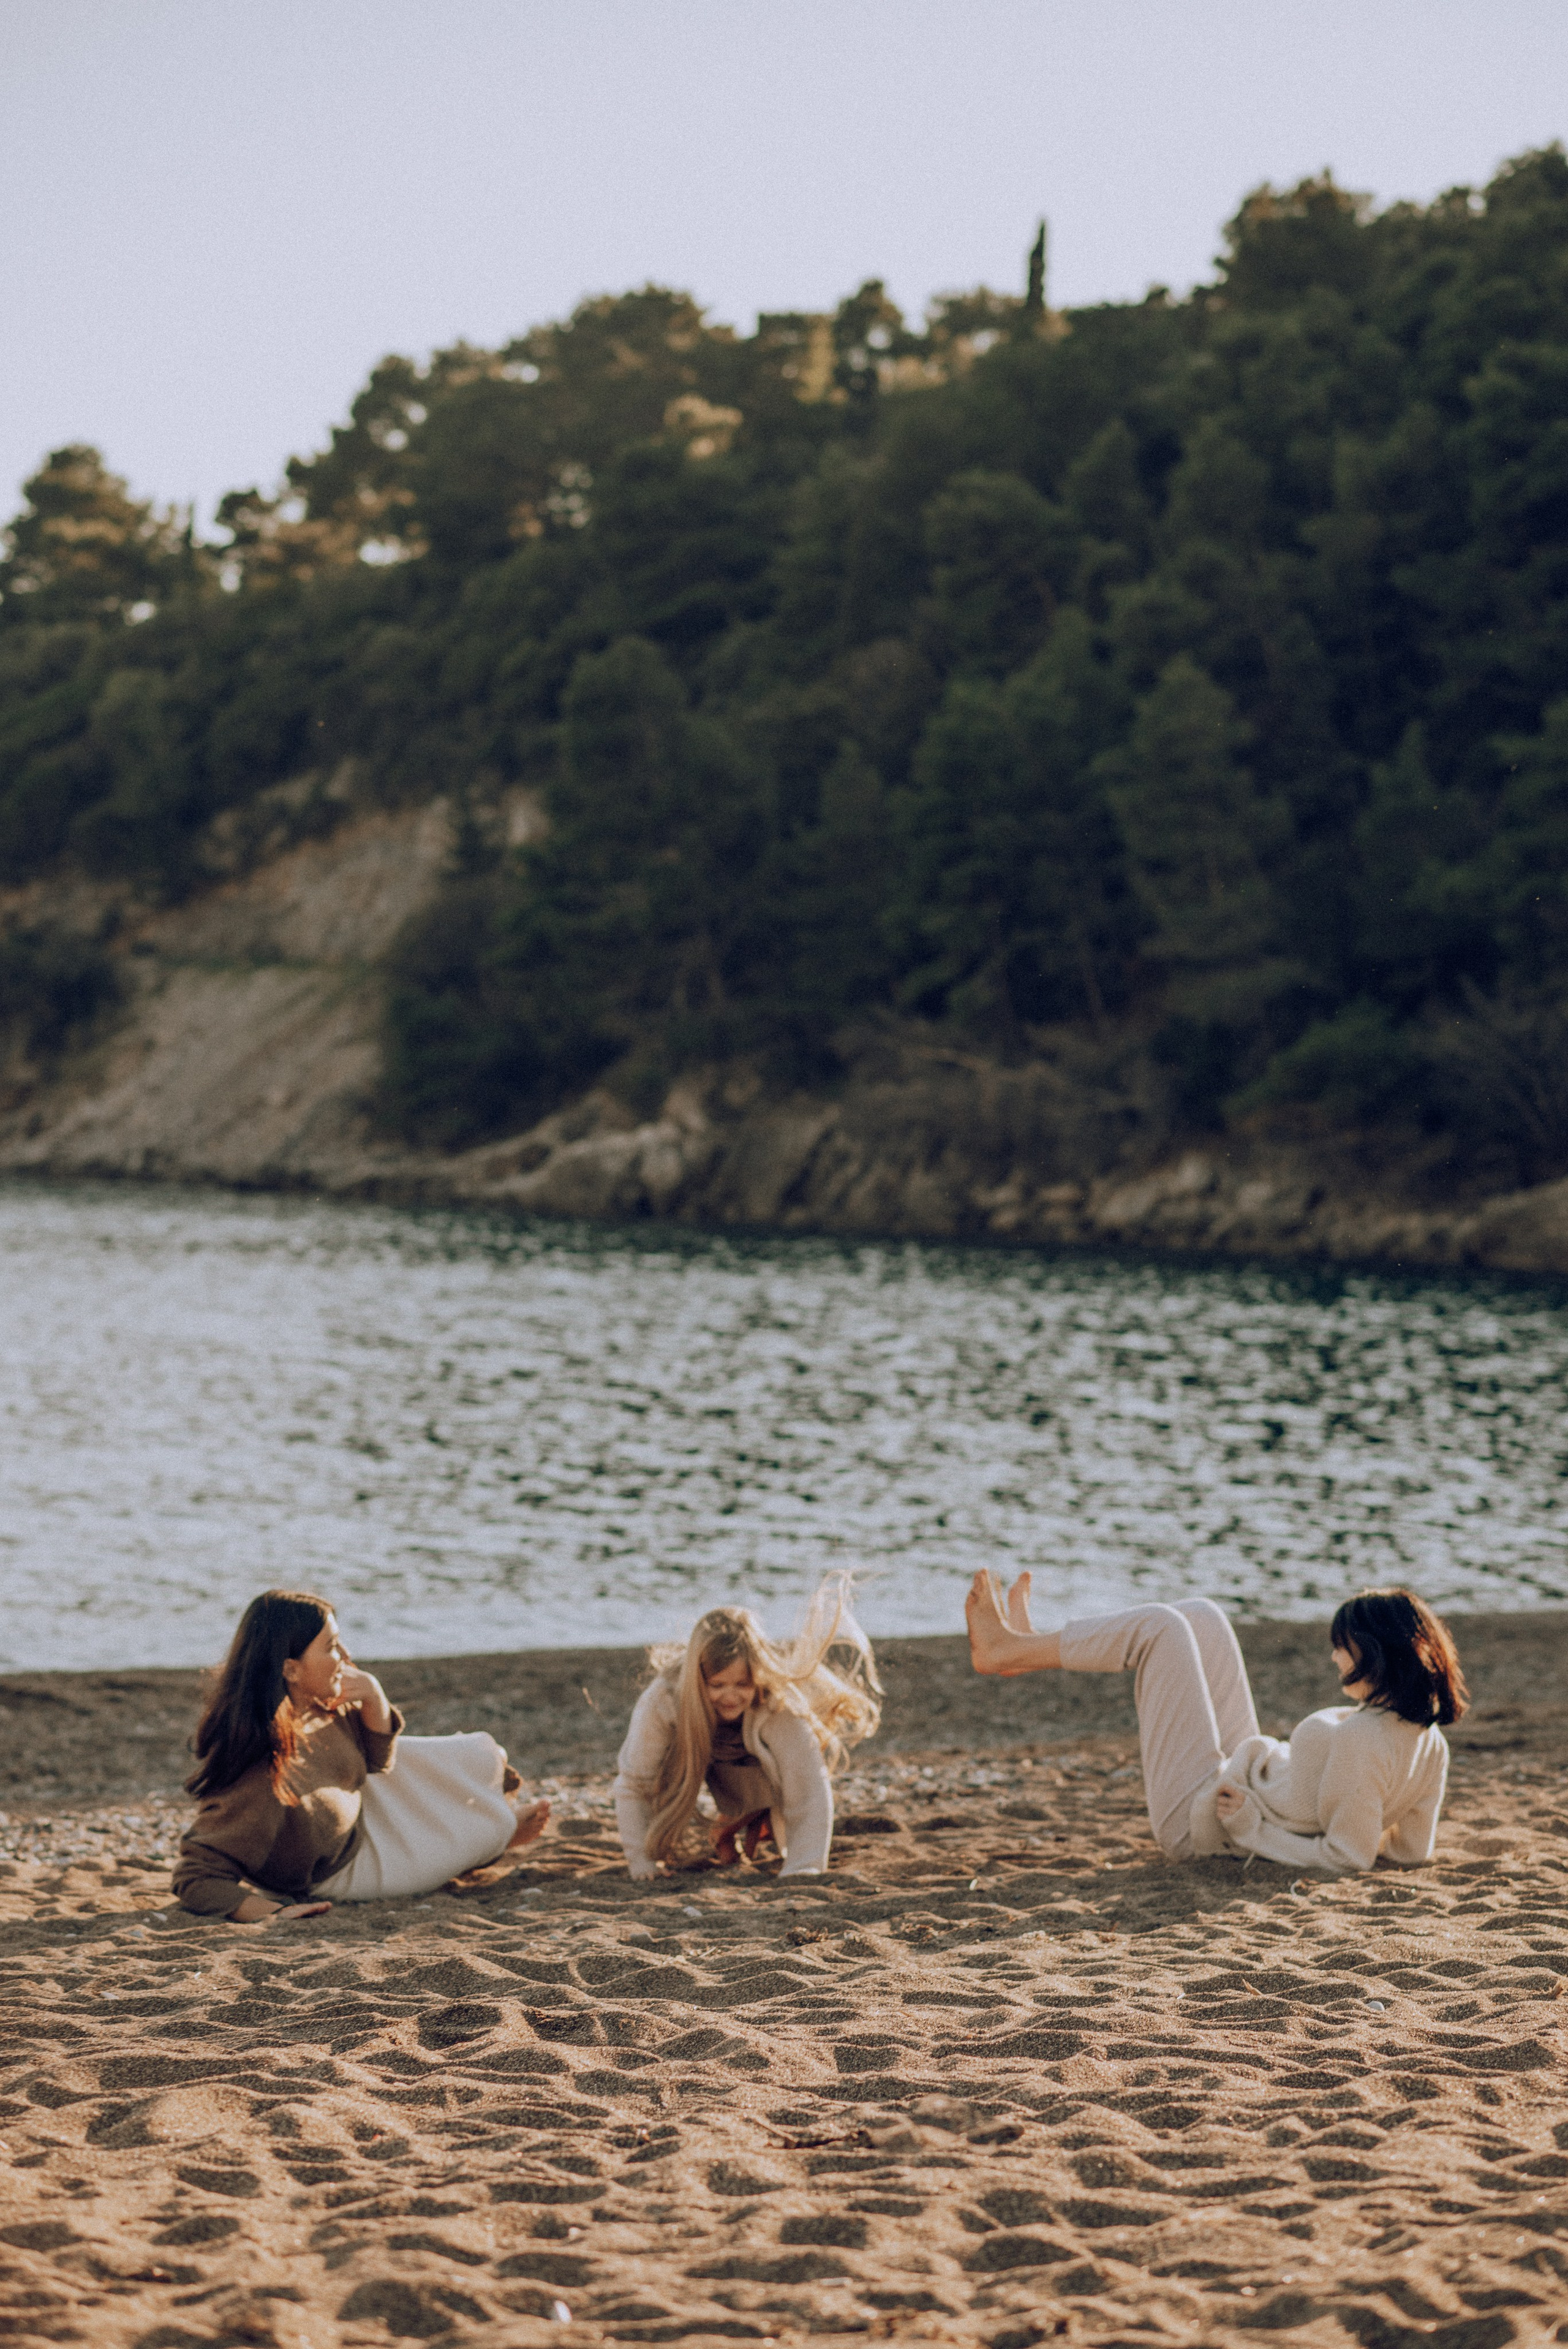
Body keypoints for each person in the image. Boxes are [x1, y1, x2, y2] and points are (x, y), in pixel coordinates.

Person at [965, 1573, 1465, 1874]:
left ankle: (1012, 1650)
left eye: (1343, 1644)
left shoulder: (1362, 1737)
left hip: (1205, 1820)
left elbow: (1346, 1856)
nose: (1334, 1656)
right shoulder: (1429, 1742)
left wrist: (1250, 1831)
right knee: (1203, 1616)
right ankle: (1029, 1647)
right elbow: (1409, 1851)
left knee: (1160, 1628)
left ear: (1377, 1655)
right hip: (1244, 1776)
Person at [173, 1590, 551, 1923]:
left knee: (474, 1753)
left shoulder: (316, 1708)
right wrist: (273, 1911)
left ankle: (493, 1814)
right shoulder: (263, 1780)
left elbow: (378, 1762)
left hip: (356, 1811)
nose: (346, 1656)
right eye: (331, 1647)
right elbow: (196, 1877)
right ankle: (501, 1831)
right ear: (291, 1669)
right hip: (348, 1868)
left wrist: (374, 1696)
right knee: (482, 1833)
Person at [614, 1581, 882, 1881]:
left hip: (752, 1763)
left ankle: (739, 1824)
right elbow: (634, 1783)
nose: (731, 1695)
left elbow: (808, 1787)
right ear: (699, 1680)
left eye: (742, 1684)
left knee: (788, 1773)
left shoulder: (777, 1701)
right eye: (718, 1685)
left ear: (758, 1676)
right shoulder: (664, 1699)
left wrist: (803, 1865)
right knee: (654, 1780)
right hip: (689, 1758)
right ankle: (724, 1829)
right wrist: (641, 1860)